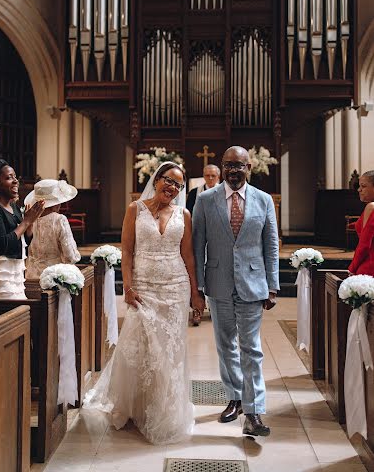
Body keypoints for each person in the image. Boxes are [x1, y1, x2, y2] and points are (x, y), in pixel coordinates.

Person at [83, 161, 205, 445]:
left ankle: (165, 409)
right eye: (168, 181)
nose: (172, 188)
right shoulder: (134, 209)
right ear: (157, 180)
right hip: (143, 288)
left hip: (175, 288)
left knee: (169, 350)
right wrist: (127, 286)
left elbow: (188, 256)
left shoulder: (183, 214)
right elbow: (126, 250)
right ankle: (137, 406)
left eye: (178, 185)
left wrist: (196, 292)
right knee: (140, 348)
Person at [192, 146, 279, 437]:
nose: (233, 170)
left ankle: (254, 411)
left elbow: (271, 244)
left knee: (251, 349)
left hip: (253, 284)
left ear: (249, 168)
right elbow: (197, 244)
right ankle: (234, 398)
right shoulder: (205, 200)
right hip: (218, 283)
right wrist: (199, 287)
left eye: (239, 165)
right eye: (228, 165)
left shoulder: (264, 200)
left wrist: (273, 285)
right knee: (225, 345)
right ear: (222, 166)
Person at [0, 159, 45, 299]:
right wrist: (26, 221)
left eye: (15, 176)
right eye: (9, 177)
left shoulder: (14, 207)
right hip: (1, 275)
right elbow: (2, 245)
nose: (16, 181)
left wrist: (31, 223)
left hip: (17, 273)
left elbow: (24, 240)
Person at [24, 179, 81, 279]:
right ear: (55, 203)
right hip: (53, 276)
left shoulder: (27, 219)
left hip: (30, 276)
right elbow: (70, 256)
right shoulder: (59, 220)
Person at [187, 164, 221, 325]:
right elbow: (188, 214)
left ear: (218, 177)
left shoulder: (224, 192)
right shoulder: (195, 193)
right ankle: (197, 308)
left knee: (215, 274)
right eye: (207, 175)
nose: (210, 178)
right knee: (197, 272)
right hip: (198, 237)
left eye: (213, 176)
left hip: (217, 239)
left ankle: (216, 309)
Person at [348, 170, 374, 276]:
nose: (359, 190)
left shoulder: (372, 207)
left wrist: (352, 268)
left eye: (363, 186)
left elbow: (364, 245)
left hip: (369, 267)